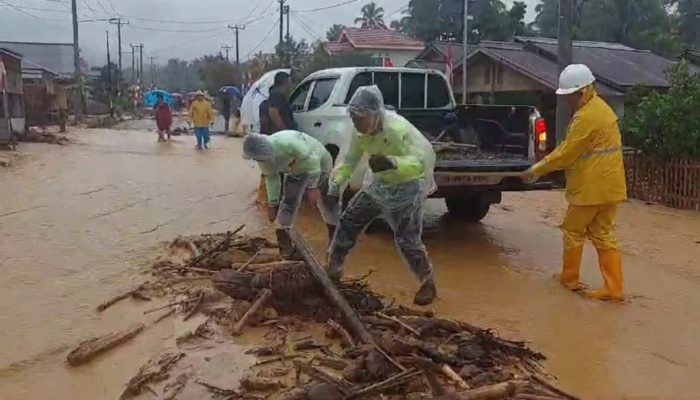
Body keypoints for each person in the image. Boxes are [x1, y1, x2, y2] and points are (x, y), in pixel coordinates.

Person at [521, 64, 627, 301]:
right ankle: (614, 288)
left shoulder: (585, 117)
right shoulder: (603, 109)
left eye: (570, 96)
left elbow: (566, 153)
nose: (568, 101)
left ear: (583, 91)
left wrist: (537, 169)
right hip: (611, 186)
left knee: (572, 230)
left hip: (591, 188)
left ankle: (569, 280)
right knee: (603, 233)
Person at [326, 85, 438, 306]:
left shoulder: (397, 129)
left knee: (407, 240)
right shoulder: (360, 133)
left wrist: (392, 162)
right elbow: (348, 161)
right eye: (353, 117)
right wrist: (335, 185)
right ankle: (332, 270)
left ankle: (428, 282)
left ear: (374, 115)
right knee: (349, 220)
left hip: (408, 185)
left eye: (359, 118)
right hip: (380, 184)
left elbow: (420, 162)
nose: (355, 123)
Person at [243, 131, 339, 258]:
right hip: (295, 170)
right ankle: (285, 248)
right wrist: (273, 203)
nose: (258, 161)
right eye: (256, 159)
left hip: (319, 162)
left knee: (326, 201)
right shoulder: (263, 158)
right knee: (289, 201)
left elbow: (313, 162)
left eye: (259, 158)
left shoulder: (288, 143)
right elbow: (272, 178)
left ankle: (336, 240)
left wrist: (313, 187)